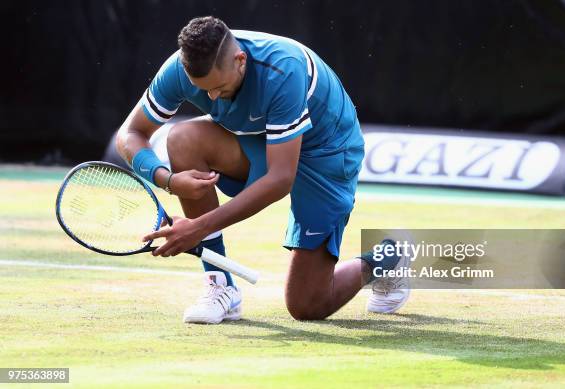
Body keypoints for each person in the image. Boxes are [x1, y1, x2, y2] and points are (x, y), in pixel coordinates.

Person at [116, 16, 409, 324]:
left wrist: (198, 227)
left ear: (240, 60)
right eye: (203, 90)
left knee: (306, 306)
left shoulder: (283, 71)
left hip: (327, 152)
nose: (212, 98)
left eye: (219, 88)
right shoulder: (180, 68)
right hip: (261, 139)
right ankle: (221, 286)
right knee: (183, 140)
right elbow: (130, 134)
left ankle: (387, 258)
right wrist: (169, 180)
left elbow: (281, 178)